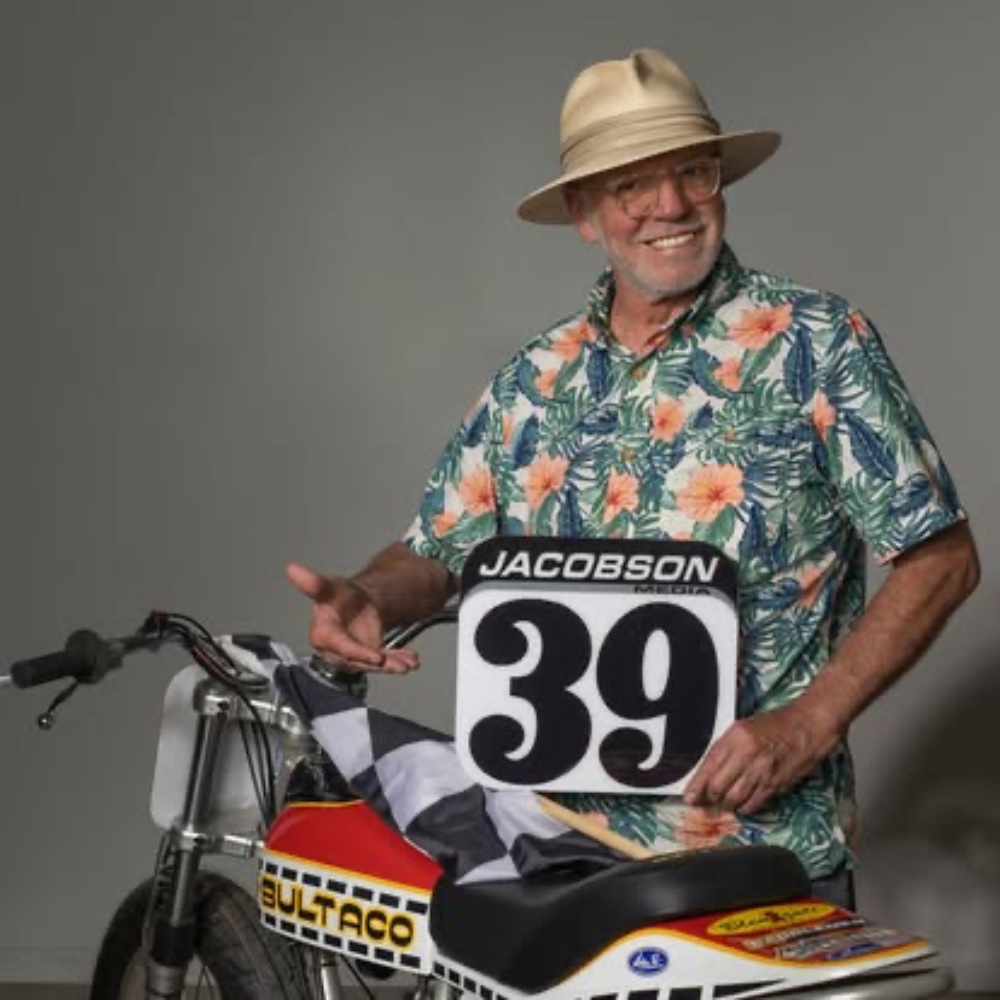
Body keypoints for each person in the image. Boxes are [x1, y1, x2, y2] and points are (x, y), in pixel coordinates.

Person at [285, 49, 979, 903]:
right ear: (585, 213)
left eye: (693, 172)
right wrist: (373, 596)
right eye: (632, 186)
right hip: (548, 854)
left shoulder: (816, 345)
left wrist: (812, 719)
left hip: (755, 852)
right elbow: (439, 549)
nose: (672, 206)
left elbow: (942, 559)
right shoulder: (533, 381)